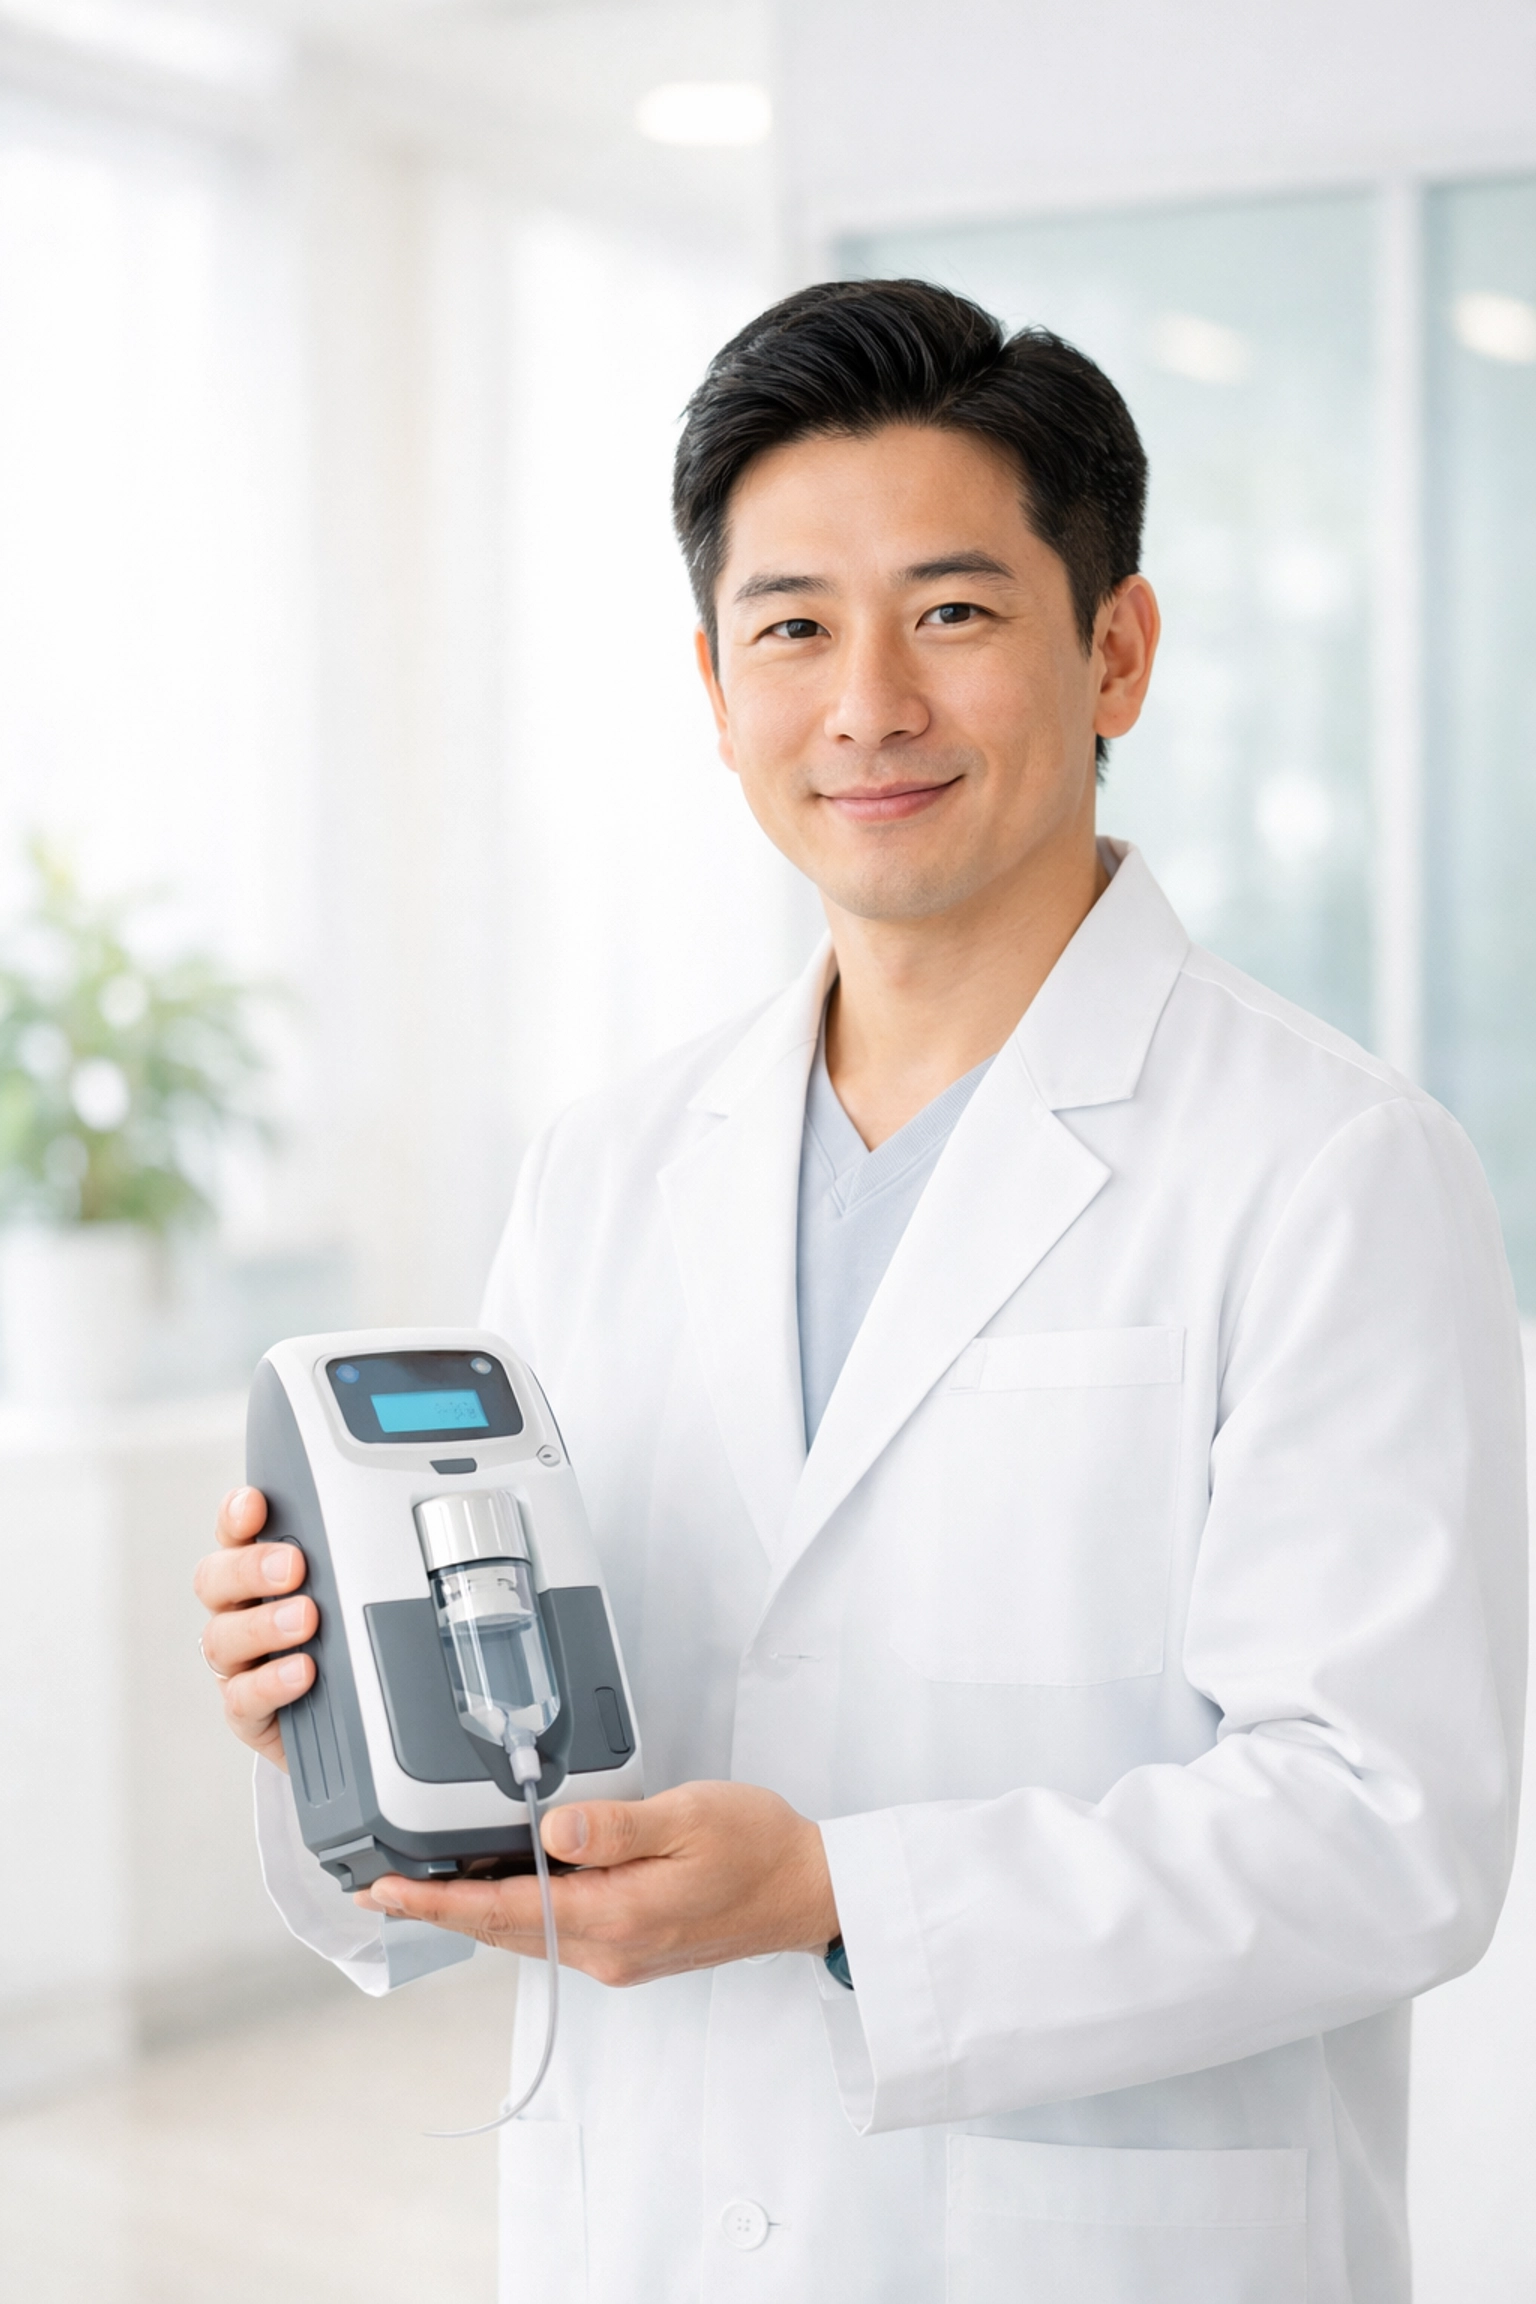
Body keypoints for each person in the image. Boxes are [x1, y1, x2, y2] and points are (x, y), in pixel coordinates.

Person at [195, 279, 1526, 2304]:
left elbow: (1382, 1829)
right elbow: (559, 1727)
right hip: (655, 2222)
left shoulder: (1331, 1164)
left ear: (1120, 651)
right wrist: (351, 1730)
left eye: (957, 613)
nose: (868, 703)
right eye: (794, 624)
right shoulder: (609, 1164)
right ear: (717, 688)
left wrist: (838, 1894)